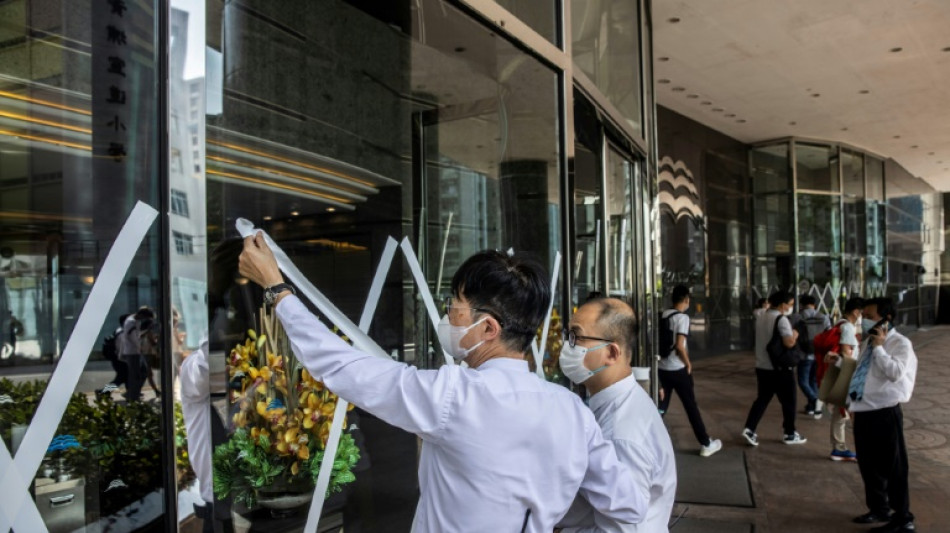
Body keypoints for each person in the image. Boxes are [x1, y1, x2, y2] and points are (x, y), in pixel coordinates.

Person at [238, 233, 647, 531]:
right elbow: (628, 504)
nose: (448, 318)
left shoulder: (454, 396)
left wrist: (277, 289)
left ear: (487, 328)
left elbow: (339, 366)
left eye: (454, 309)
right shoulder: (571, 411)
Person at [555, 297, 676, 532]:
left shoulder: (622, 437)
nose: (566, 346)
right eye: (567, 335)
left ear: (611, 352)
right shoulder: (615, 404)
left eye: (575, 337)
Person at [848, 298, 917, 532]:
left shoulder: (900, 343)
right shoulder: (868, 343)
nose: (864, 319)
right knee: (869, 465)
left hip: (885, 412)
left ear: (886, 318)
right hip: (864, 410)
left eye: (869, 315)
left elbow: (896, 373)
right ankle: (879, 508)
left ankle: (903, 518)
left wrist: (879, 347)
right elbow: (864, 372)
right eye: (863, 314)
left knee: (894, 467)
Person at [657, 285, 721, 457]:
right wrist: (688, 363)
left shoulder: (664, 314)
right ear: (686, 299)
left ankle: (649, 440)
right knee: (691, 407)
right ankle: (706, 443)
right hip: (678, 370)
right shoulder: (682, 318)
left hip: (662, 369)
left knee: (661, 407)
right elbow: (679, 345)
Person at [741, 290, 807, 446]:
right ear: (783, 305)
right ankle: (789, 433)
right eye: (790, 304)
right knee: (789, 401)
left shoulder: (761, 315)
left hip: (762, 366)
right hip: (780, 368)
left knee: (762, 399)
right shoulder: (781, 319)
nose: (791, 307)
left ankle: (749, 428)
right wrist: (796, 333)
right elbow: (789, 342)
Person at [819, 296, 863, 462]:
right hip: (847, 374)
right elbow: (846, 353)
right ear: (855, 311)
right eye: (862, 312)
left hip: (842, 372)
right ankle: (839, 448)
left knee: (842, 412)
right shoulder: (847, 327)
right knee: (845, 412)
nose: (862, 317)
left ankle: (839, 447)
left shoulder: (841, 324)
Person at [796, 294, 830, 418]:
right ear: (814, 304)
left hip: (803, 354)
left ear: (802, 305)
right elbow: (829, 334)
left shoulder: (798, 317)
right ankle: (811, 407)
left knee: (802, 381)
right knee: (813, 381)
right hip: (819, 354)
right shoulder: (824, 317)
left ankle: (815, 401)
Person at [97, 314, 130, 395]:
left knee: (125, 378)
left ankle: (130, 393)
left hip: (118, 359)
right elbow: (121, 349)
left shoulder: (119, 330)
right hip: (120, 360)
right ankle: (103, 392)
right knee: (121, 378)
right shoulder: (122, 333)